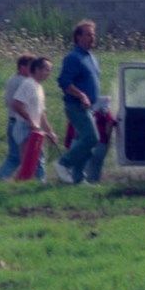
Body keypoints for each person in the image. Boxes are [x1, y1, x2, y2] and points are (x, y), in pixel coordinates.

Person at [55, 20, 102, 185]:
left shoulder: (92, 58)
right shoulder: (73, 58)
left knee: (87, 144)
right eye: (88, 34)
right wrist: (81, 95)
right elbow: (64, 82)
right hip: (75, 106)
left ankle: (78, 179)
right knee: (91, 138)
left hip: (89, 108)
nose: (92, 37)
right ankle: (63, 163)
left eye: (93, 34)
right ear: (78, 37)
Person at [0, 53, 39, 182]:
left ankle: (0, 179)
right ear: (22, 67)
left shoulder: (12, 79)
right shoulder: (24, 82)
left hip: (12, 121)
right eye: (31, 67)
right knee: (28, 156)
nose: (34, 70)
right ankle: (34, 181)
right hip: (21, 122)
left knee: (15, 156)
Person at [11, 57, 58, 181]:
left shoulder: (39, 87)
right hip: (25, 128)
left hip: (35, 130)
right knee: (29, 162)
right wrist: (31, 122)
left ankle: (33, 185)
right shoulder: (28, 84)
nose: (48, 73)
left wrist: (50, 132)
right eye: (46, 70)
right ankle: (28, 187)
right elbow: (16, 105)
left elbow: (41, 113)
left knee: (37, 161)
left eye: (50, 70)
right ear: (36, 69)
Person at [63, 96, 116, 183]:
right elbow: (110, 122)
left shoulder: (78, 113)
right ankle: (92, 185)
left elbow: (71, 129)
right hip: (100, 142)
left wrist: (68, 144)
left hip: (83, 143)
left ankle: (78, 184)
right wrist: (107, 140)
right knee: (95, 168)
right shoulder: (103, 110)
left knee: (79, 167)